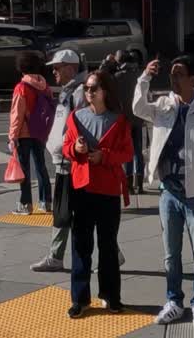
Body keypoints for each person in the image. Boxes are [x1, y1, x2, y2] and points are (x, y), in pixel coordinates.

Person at [135, 56, 194, 330]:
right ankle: (174, 301)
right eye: (172, 74)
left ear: (193, 79)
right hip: (169, 191)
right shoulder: (163, 105)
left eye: (180, 74)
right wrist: (145, 77)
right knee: (171, 254)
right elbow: (138, 108)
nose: (174, 79)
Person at [62, 69, 133, 319]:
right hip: (81, 189)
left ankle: (111, 296)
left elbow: (127, 153)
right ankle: (79, 299)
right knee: (81, 246)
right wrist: (76, 148)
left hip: (108, 191)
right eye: (86, 88)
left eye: (94, 88)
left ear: (105, 91)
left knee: (108, 246)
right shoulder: (75, 117)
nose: (88, 92)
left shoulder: (119, 120)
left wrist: (105, 156)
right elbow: (65, 148)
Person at [33, 49, 87, 272]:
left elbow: (81, 125)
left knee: (68, 210)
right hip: (65, 159)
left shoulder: (80, 91)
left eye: (57, 67)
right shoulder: (70, 90)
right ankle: (56, 256)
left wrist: (70, 150)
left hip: (71, 162)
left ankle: (56, 257)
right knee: (69, 210)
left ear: (71, 68)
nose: (53, 71)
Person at [8, 51, 54, 216]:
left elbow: (17, 115)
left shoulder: (21, 88)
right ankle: (46, 201)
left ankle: (26, 204)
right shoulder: (45, 86)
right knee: (41, 166)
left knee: (25, 170)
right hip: (40, 131)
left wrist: (12, 136)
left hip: (24, 133)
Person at [101, 51, 144, 194]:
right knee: (138, 151)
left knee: (127, 152)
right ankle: (140, 183)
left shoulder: (117, 77)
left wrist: (107, 62)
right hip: (138, 117)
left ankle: (129, 183)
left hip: (124, 119)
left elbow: (101, 77)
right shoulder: (139, 75)